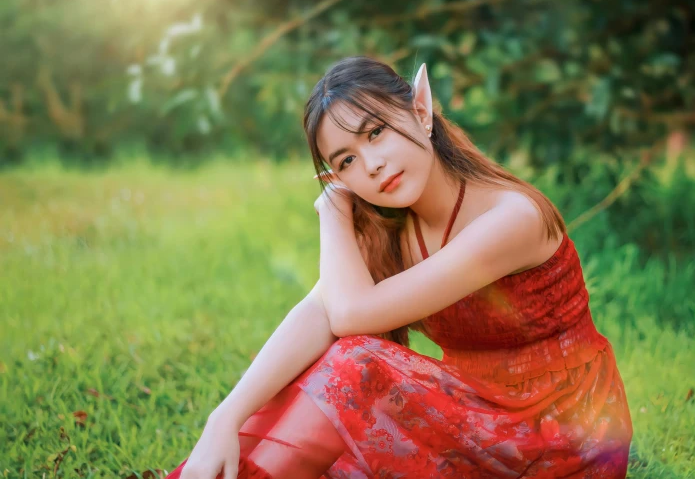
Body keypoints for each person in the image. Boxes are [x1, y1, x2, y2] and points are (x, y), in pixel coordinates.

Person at [166, 56, 633, 479]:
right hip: (477, 415)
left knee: (352, 365)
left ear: (421, 111)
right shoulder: (393, 230)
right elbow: (320, 312)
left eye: (376, 132)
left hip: (564, 434)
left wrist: (332, 212)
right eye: (346, 160)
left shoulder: (512, 219)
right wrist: (223, 418)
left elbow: (349, 317)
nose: (370, 165)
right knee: (310, 389)